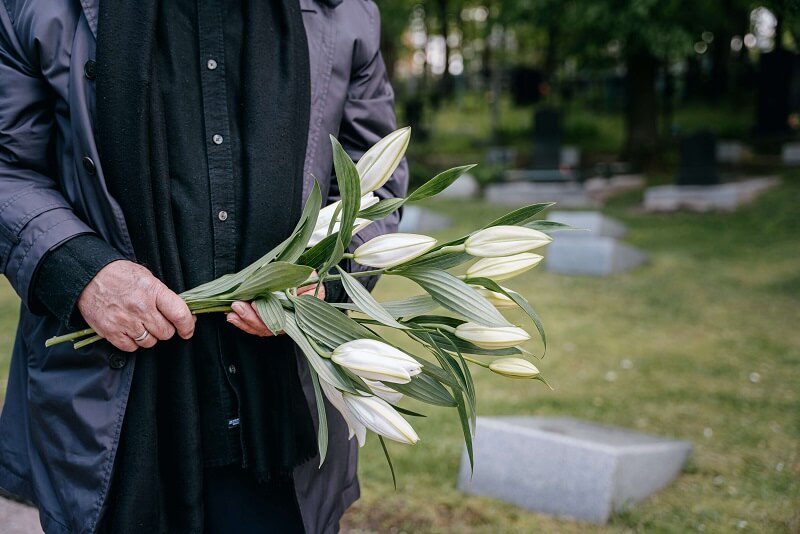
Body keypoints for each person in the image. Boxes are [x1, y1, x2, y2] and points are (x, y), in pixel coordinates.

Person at [0, 0, 407, 532]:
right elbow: (9, 167)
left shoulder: (344, 12)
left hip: (276, 417)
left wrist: (321, 274)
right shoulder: (37, 6)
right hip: (113, 414)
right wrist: (83, 274)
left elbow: (372, 181)